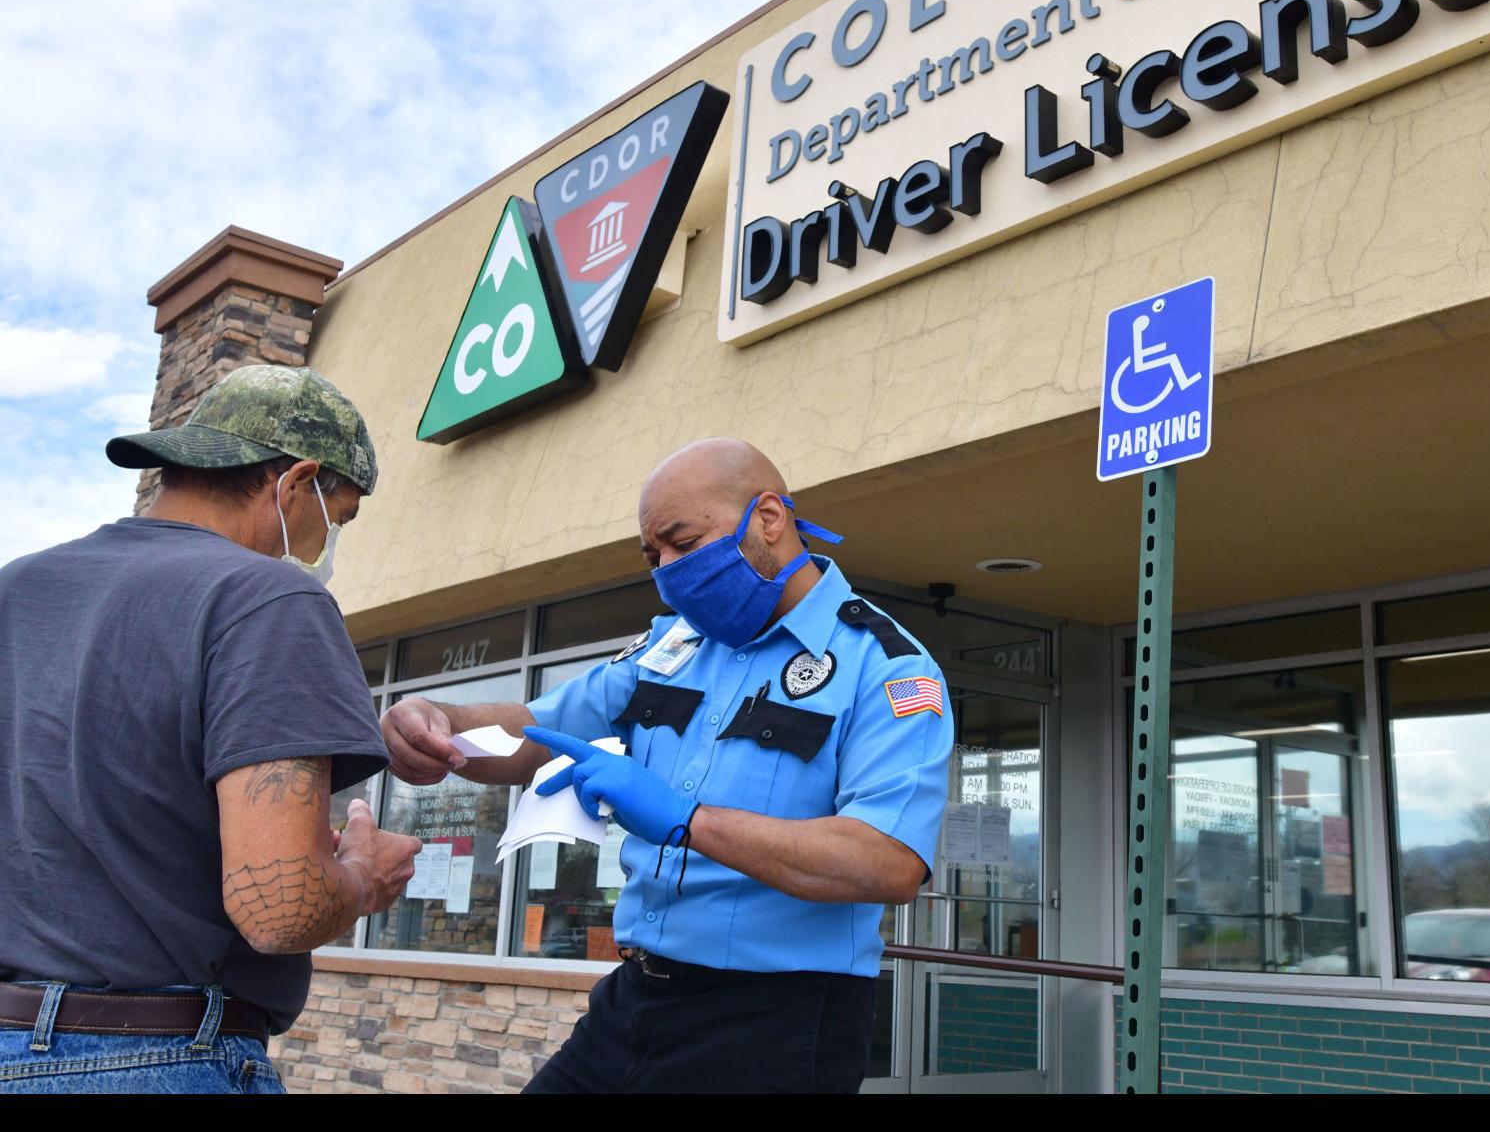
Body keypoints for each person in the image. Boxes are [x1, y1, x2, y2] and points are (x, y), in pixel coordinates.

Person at [382, 437, 954, 1093]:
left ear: (769, 519)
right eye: (654, 555)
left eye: (683, 542)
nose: (667, 569)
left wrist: (688, 820)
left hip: (774, 1023)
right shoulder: (672, 646)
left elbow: (888, 861)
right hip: (633, 999)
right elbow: (536, 732)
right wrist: (439, 720)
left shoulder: (884, 667)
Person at [0, 364, 422, 1094]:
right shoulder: (265, 596)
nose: (322, 545)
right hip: (154, 1059)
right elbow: (279, 910)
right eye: (338, 517)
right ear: (296, 485)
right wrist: (360, 878)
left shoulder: (16, 588)